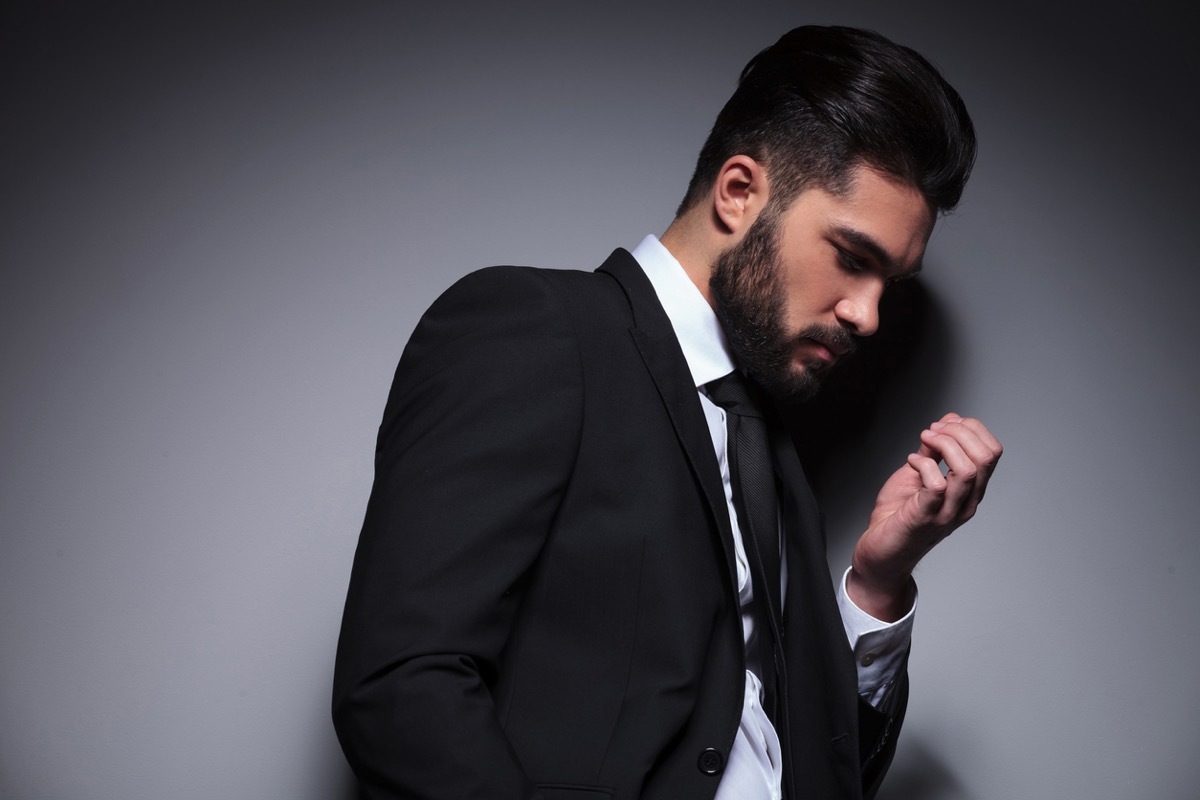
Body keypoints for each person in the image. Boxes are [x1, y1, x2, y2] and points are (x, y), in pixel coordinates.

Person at [332, 24, 1002, 800]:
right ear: (739, 193)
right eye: (853, 258)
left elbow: (815, 768)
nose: (868, 315)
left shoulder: (769, 454)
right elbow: (401, 687)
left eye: (891, 284)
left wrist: (878, 583)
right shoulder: (538, 329)